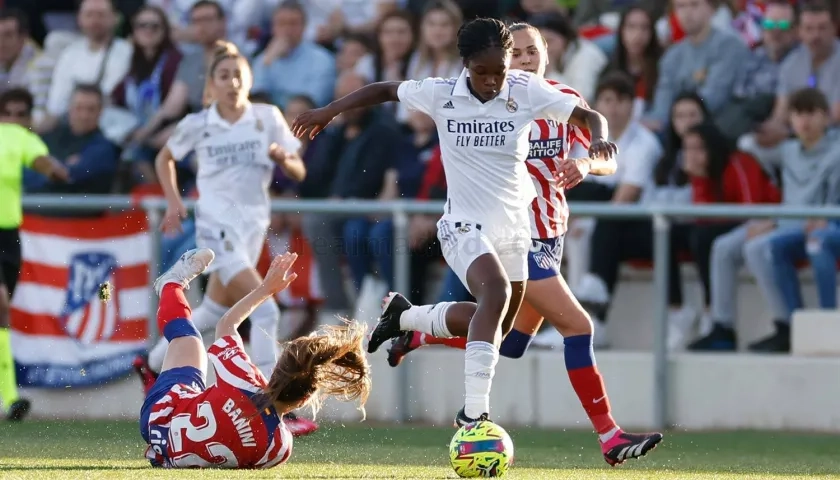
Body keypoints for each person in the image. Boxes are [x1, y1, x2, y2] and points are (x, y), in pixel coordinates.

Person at [293, 18, 617, 429]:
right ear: (464, 65)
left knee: (501, 332)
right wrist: (331, 110)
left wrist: (600, 141)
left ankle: (409, 319)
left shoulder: (525, 90)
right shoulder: (441, 92)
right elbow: (384, 90)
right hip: (463, 225)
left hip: (515, 229)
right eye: (483, 73)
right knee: (495, 294)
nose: (492, 82)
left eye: (499, 71)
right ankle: (474, 414)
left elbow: (588, 116)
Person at [383, 22, 663, 466]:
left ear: (547, 55)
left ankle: (419, 330)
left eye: (534, 52)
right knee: (579, 327)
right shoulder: (498, 100)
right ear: (505, 59)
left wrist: (587, 165)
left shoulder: (558, 100)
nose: (527, 61)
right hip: (516, 234)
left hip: (551, 235)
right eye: (520, 54)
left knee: (511, 342)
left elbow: (607, 159)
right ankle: (610, 436)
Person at [134, 41, 312, 433]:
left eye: (238, 74)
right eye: (223, 75)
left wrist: (285, 160)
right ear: (211, 85)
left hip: (251, 227)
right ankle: (273, 404)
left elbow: (300, 169)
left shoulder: (267, 117)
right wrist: (173, 201)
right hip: (216, 227)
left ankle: (149, 362)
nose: (232, 81)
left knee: (214, 311)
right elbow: (164, 157)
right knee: (266, 308)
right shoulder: (200, 123)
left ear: (249, 79)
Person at [140, 248, 370, 468]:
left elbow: (226, 325)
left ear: (276, 370)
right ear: (303, 401)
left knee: (189, 340)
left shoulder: (245, 380)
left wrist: (265, 290)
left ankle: (171, 283)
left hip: (158, 416)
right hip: (167, 449)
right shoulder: (279, 448)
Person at [0, 119, 68, 421]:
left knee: (2, 311)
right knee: (0, 304)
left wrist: (53, 169)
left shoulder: (16, 136)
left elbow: (39, 159)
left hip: (7, 236)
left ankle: (9, 397)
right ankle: (11, 395)